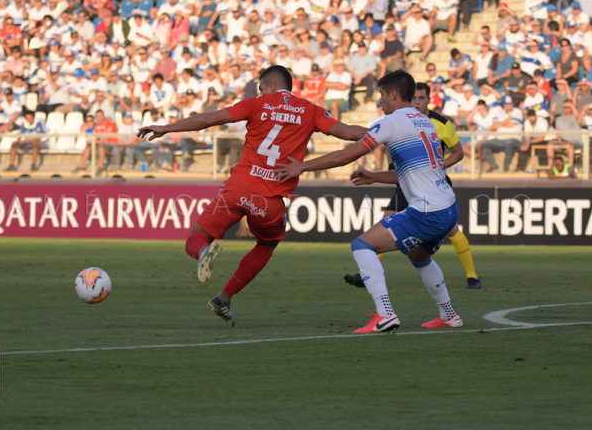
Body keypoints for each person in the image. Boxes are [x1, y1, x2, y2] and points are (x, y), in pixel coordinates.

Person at [136, 65, 366, 322]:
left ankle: (203, 252)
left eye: (260, 88)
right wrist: (384, 134)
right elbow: (347, 133)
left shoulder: (256, 104)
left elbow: (209, 119)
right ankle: (223, 298)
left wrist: (167, 128)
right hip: (269, 201)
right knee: (267, 244)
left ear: (269, 86)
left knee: (197, 237)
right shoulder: (309, 111)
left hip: (236, 190)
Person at [277, 70, 463, 332]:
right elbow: (412, 171)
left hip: (426, 212)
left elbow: (348, 155)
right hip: (448, 207)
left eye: (382, 95)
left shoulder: (392, 122)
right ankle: (449, 315)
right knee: (419, 255)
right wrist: (375, 176)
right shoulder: (425, 122)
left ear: (394, 94)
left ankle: (385, 314)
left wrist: (303, 166)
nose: (380, 101)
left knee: (362, 245)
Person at [343, 82, 482, 290]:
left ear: (429, 99)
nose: (417, 102)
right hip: (406, 177)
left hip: (432, 182)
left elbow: (458, 152)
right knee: (387, 219)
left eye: (422, 98)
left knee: (452, 229)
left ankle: (472, 276)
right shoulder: (401, 120)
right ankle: (369, 272)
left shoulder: (440, 123)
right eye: (414, 98)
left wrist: (437, 167)